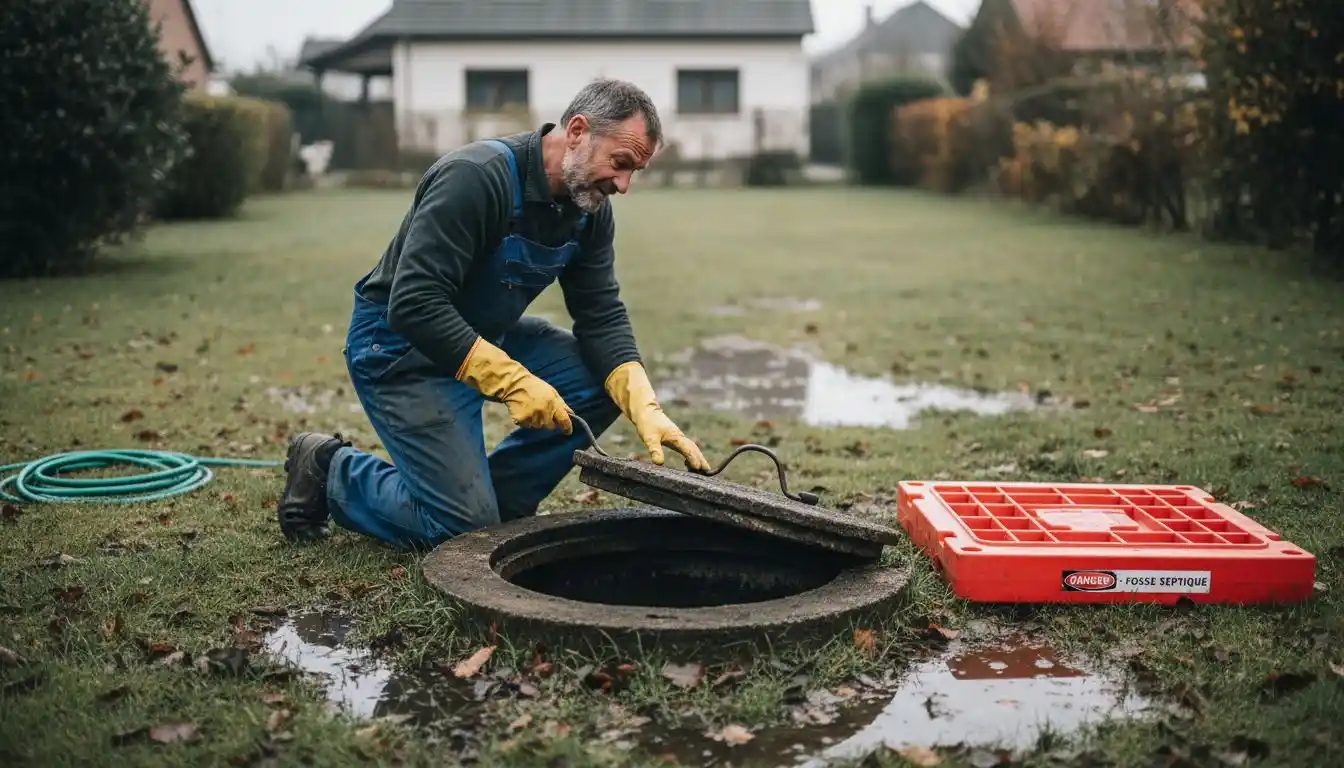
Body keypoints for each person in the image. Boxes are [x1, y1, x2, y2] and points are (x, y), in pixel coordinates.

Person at [275, 79, 710, 549]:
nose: (623, 185)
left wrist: (641, 402)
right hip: (401, 349)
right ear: (577, 131)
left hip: (484, 337)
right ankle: (330, 469)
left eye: (634, 172)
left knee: (600, 380)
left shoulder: (589, 209)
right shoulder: (475, 178)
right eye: (620, 163)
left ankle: (500, 503)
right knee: (458, 531)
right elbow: (414, 302)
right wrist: (512, 381)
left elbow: (600, 311)